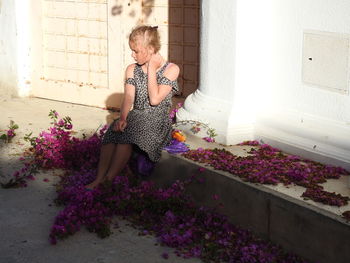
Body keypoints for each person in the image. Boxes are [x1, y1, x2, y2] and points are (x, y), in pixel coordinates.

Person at [86, 25, 180, 189]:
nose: (132, 54)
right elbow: (129, 97)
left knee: (127, 135)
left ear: (150, 49)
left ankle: (108, 181)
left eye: (136, 51)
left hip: (156, 120)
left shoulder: (171, 69)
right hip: (136, 116)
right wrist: (122, 118)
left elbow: (155, 99)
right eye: (132, 50)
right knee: (112, 133)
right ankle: (99, 178)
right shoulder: (132, 69)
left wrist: (151, 68)